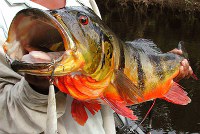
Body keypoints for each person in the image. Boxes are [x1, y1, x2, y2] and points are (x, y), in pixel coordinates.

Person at [0, 0, 194, 133]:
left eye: (83, 21)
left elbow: (114, 65)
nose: (81, 22)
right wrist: (37, 88)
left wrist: (160, 75)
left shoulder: (84, 3)